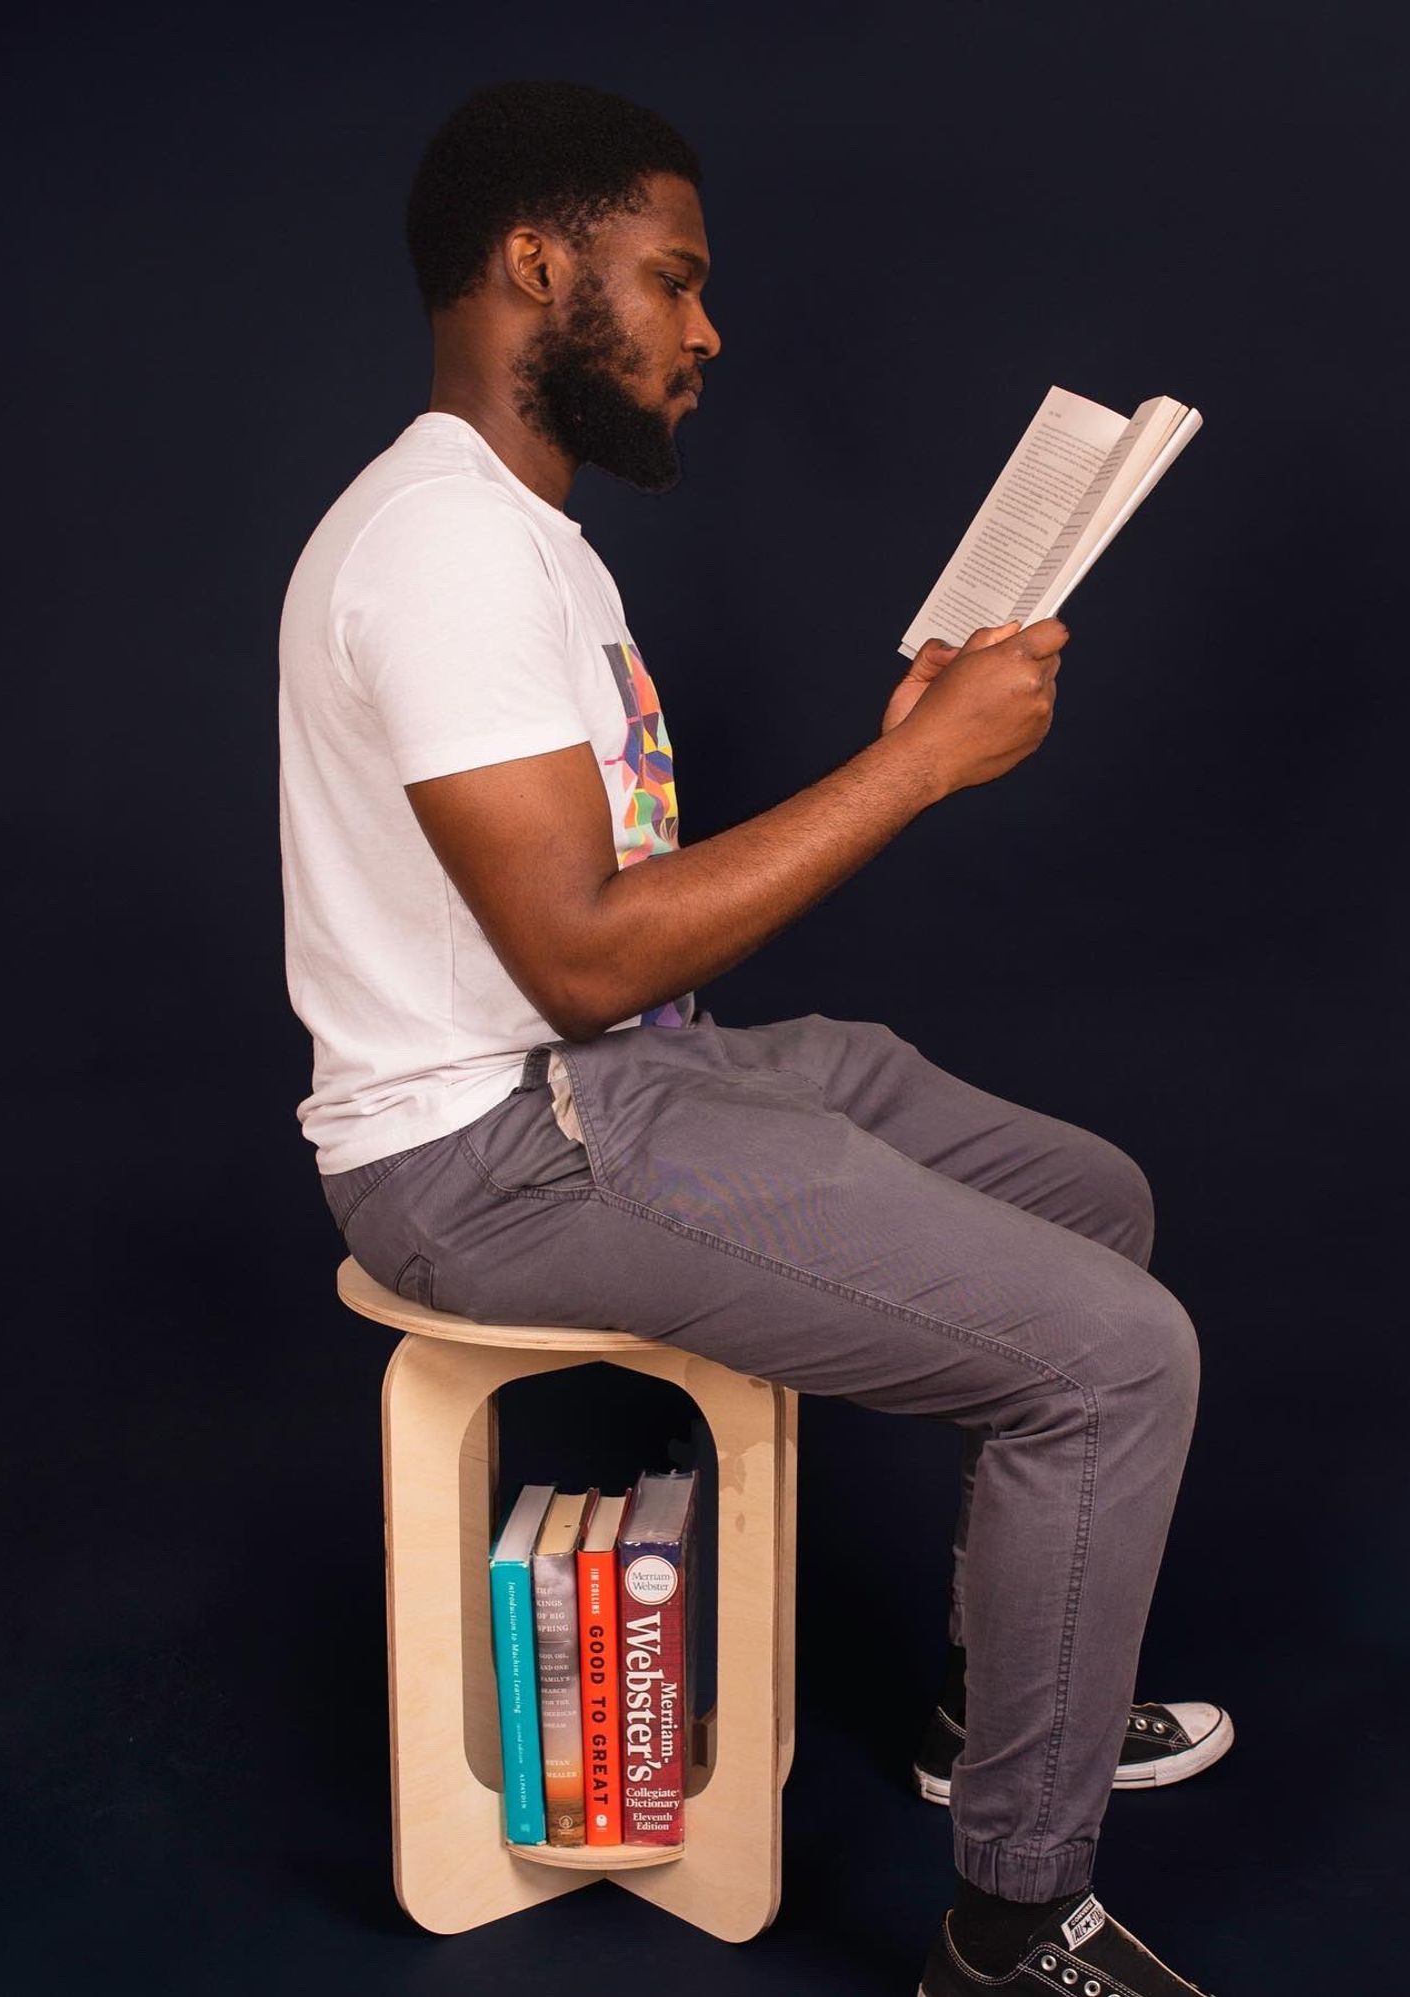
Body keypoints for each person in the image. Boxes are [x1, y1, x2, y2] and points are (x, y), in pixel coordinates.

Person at [278, 78, 1233, 1997]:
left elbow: (605, 951)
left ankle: (999, 1708)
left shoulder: (523, 539)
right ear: (537, 265)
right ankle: (1012, 1917)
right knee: (1120, 1362)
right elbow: (573, 960)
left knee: (1092, 1197)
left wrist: (898, 754)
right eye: (672, 280)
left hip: (623, 1076)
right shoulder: (446, 550)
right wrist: (922, 778)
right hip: (496, 1146)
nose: (706, 329)